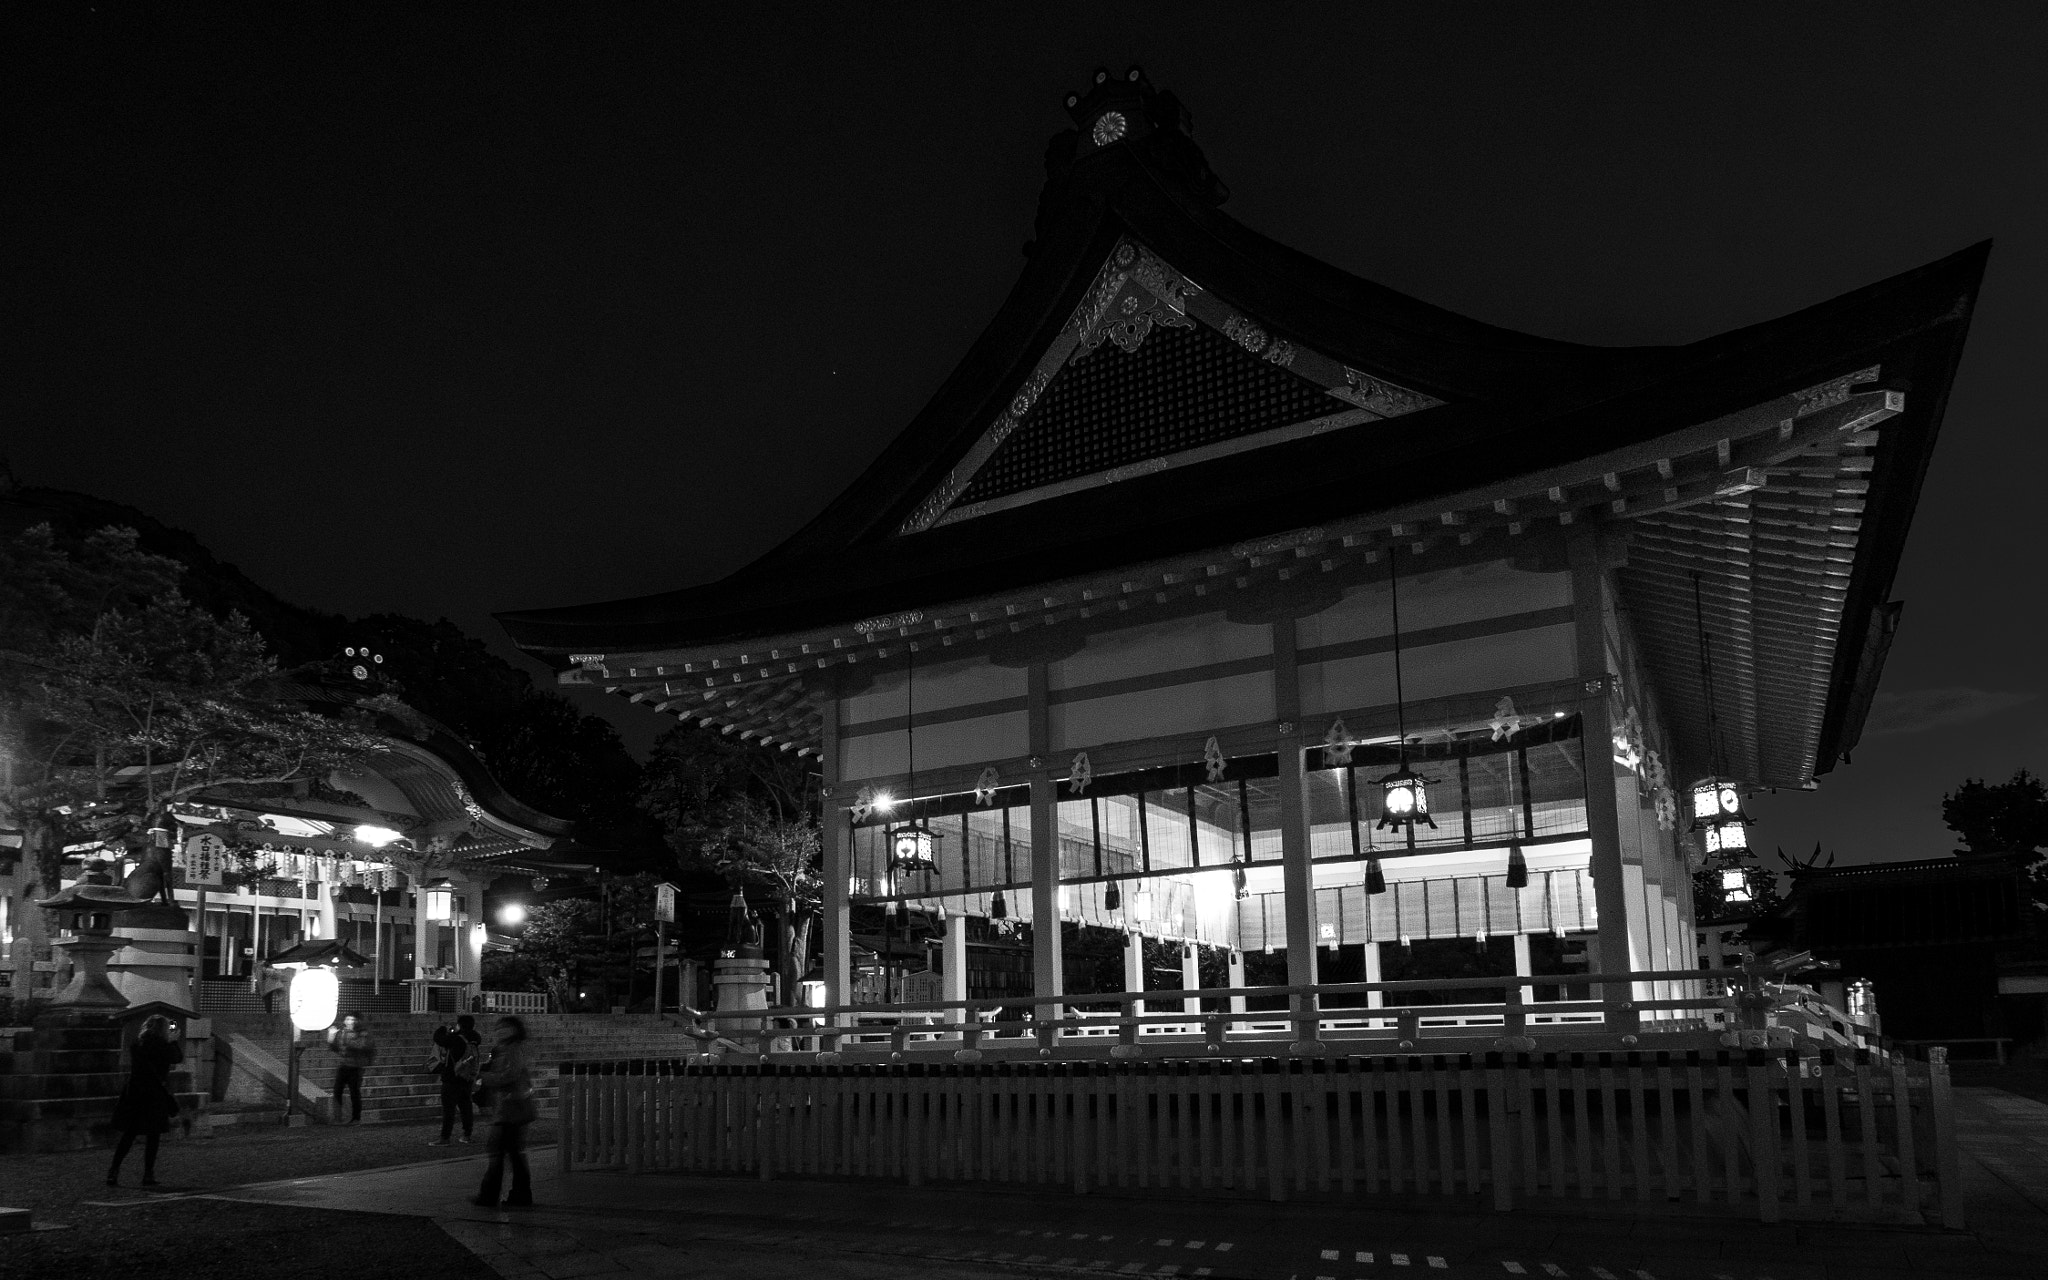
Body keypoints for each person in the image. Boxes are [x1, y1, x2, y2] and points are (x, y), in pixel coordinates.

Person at [107, 1014, 183, 1187]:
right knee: (153, 1136)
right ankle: (148, 1174)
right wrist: (173, 1040)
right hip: (154, 1094)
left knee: (129, 1134)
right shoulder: (163, 1046)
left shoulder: (138, 1044)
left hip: (135, 1092)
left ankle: (113, 1170)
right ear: (163, 1029)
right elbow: (176, 1058)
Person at [472, 1015, 535, 1208]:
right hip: (507, 1109)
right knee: (511, 1153)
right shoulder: (503, 1049)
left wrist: (484, 1077)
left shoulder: (513, 1049)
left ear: (515, 1030)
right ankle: (517, 1195)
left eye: (505, 1027)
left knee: (501, 1152)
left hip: (512, 1109)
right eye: (498, 1027)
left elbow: (509, 1075)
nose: (500, 1031)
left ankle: (491, 1196)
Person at [427, 1014, 482, 1146]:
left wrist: (442, 1028)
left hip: (452, 1078)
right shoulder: (474, 1038)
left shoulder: (456, 1039)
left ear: (460, 1025)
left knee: (449, 1110)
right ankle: (467, 1135)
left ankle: (445, 1137)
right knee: (466, 1107)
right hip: (466, 1077)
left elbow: (438, 1039)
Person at [325, 1012, 376, 1125]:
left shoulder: (362, 1032)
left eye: (352, 1020)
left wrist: (347, 1040)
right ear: (344, 1021)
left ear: (357, 1021)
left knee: (354, 1092)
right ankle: (337, 1117)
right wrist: (331, 1037)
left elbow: (361, 1046)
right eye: (348, 1019)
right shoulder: (342, 1032)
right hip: (344, 1065)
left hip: (356, 1066)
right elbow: (336, 1048)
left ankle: (356, 1118)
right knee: (337, 1091)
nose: (350, 1022)